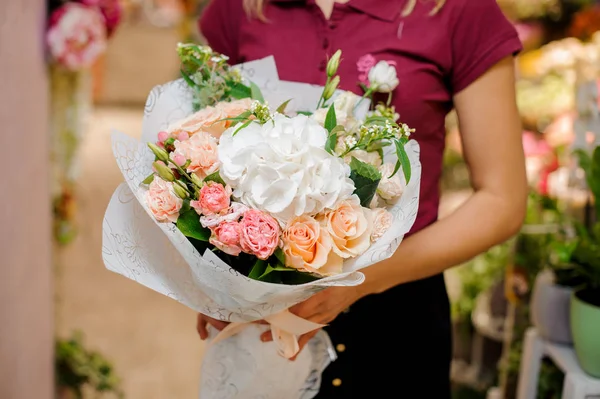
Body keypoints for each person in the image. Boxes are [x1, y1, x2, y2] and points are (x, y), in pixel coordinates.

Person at [196, 0, 528, 397]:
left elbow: (501, 200)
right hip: (261, 310)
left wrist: (357, 283)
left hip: (396, 313)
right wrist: (212, 271)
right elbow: (211, 148)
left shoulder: (459, 10)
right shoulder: (244, 7)